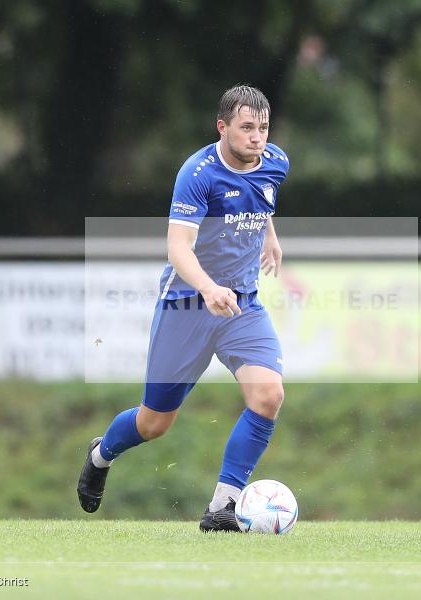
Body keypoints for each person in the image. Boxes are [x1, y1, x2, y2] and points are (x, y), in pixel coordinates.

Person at [77, 84, 289, 531]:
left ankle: (222, 508)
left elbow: (262, 196)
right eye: (247, 127)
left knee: (268, 395)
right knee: (154, 423)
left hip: (241, 306)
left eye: (263, 128)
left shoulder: (275, 162)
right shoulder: (198, 173)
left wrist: (270, 236)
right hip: (187, 306)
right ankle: (101, 455)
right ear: (223, 127)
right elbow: (178, 248)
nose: (257, 137)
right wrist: (210, 288)